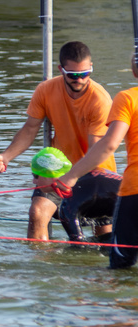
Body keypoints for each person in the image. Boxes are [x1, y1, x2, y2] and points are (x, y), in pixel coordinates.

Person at [0, 41, 117, 240]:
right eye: (73, 74)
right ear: (61, 69)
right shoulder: (45, 90)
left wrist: (71, 177)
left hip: (95, 176)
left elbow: (95, 152)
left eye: (85, 73)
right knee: (37, 213)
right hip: (57, 171)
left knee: (104, 239)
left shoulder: (100, 100)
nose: (80, 80)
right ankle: (41, 266)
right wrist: (5, 157)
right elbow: (30, 129)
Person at [38, 54, 138, 267]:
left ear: (134, 71)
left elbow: (109, 144)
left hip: (133, 189)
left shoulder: (128, 98)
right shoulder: (48, 90)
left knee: (121, 265)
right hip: (116, 186)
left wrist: (70, 176)